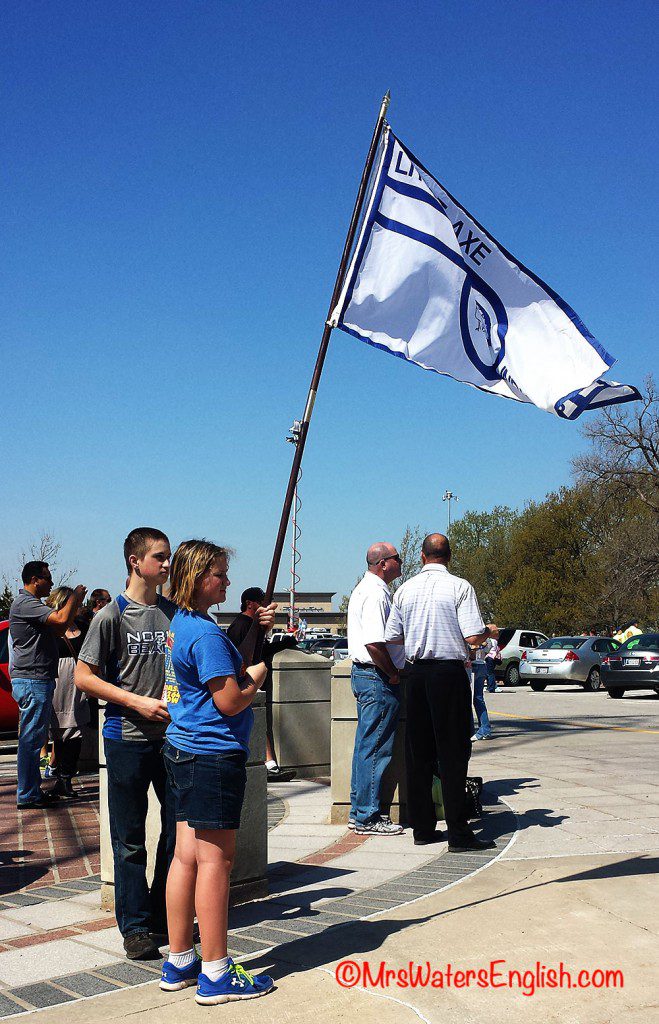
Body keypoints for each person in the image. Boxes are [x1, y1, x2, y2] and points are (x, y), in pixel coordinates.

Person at [159, 539, 276, 1004]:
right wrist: (258, 673)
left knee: (185, 856)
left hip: (183, 750)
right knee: (216, 862)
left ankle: (180, 959)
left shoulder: (183, 623)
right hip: (211, 754)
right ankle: (215, 972)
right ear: (197, 577)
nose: (226, 581)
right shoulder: (206, 635)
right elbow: (229, 699)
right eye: (220, 574)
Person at [75, 528, 176, 961]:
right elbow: (84, 676)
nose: (168, 564)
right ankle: (135, 927)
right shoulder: (110, 616)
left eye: (168, 557)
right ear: (136, 561)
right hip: (126, 740)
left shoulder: (175, 613)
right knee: (130, 838)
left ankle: (160, 914)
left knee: (177, 833)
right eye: (160, 557)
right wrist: (135, 701)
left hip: (173, 741)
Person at [382, 533, 499, 851]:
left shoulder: (404, 590)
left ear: (422, 557)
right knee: (453, 752)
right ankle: (459, 833)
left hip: (417, 672)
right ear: (449, 556)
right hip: (449, 673)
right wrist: (488, 632)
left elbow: (393, 636)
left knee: (418, 753)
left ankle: (423, 828)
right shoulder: (460, 587)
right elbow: (473, 636)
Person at [9, 562, 87, 809]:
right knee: (31, 741)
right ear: (35, 580)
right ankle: (28, 794)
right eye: (48, 578)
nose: (51, 584)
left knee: (34, 739)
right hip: (33, 679)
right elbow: (62, 618)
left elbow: (61, 626)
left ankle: (31, 792)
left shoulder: (32, 606)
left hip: (38, 679)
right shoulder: (25, 604)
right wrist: (75, 597)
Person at [347, 542, 405, 836]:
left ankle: (358, 810)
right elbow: (374, 642)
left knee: (365, 745)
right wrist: (393, 674)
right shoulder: (376, 593)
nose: (400, 562)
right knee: (376, 748)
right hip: (376, 677)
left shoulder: (364, 589)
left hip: (365, 675)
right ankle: (368, 817)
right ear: (383, 563)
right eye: (397, 558)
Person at [227, 587, 295, 782]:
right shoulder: (241, 625)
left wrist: (281, 643)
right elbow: (239, 656)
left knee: (258, 721)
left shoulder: (249, 624)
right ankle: (268, 764)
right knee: (256, 721)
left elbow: (260, 649)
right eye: (262, 601)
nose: (267, 606)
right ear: (250, 604)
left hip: (254, 680)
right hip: (245, 683)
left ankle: (269, 764)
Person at [45, 587, 91, 797]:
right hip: (56, 682)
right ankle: (56, 774)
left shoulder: (82, 625)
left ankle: (66, 778)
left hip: (78, 682)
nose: (78, 608)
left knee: (75, 732)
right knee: (57, 731)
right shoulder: (49, 628)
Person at [470, 641, 493, 741]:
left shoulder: (471, 637)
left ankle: (482, 730)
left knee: (474, 699)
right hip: (482, 665)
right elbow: (488, 648)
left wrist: (475, 647)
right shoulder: (486, 638)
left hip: (473, 666)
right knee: (478, 699)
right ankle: (484, 729)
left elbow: (471, 651)